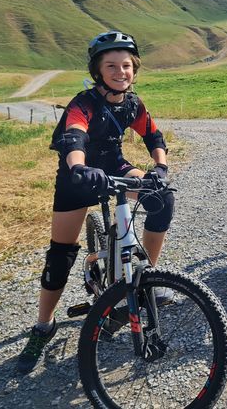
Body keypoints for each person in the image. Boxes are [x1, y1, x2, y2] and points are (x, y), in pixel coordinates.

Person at [16, 30, 174, 375]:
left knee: (161, 199)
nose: (121, 72)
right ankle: (43, 325)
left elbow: (153, 136)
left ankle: (146, 278)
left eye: (126, 65)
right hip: (78, 177)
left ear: (134, 68)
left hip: (114, 166)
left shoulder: (132, 103)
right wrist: (78, 167)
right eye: (111, 66)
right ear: (98, 71)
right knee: (60, 256)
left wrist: (160, 167)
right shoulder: (84, 103)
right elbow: (74, 137)